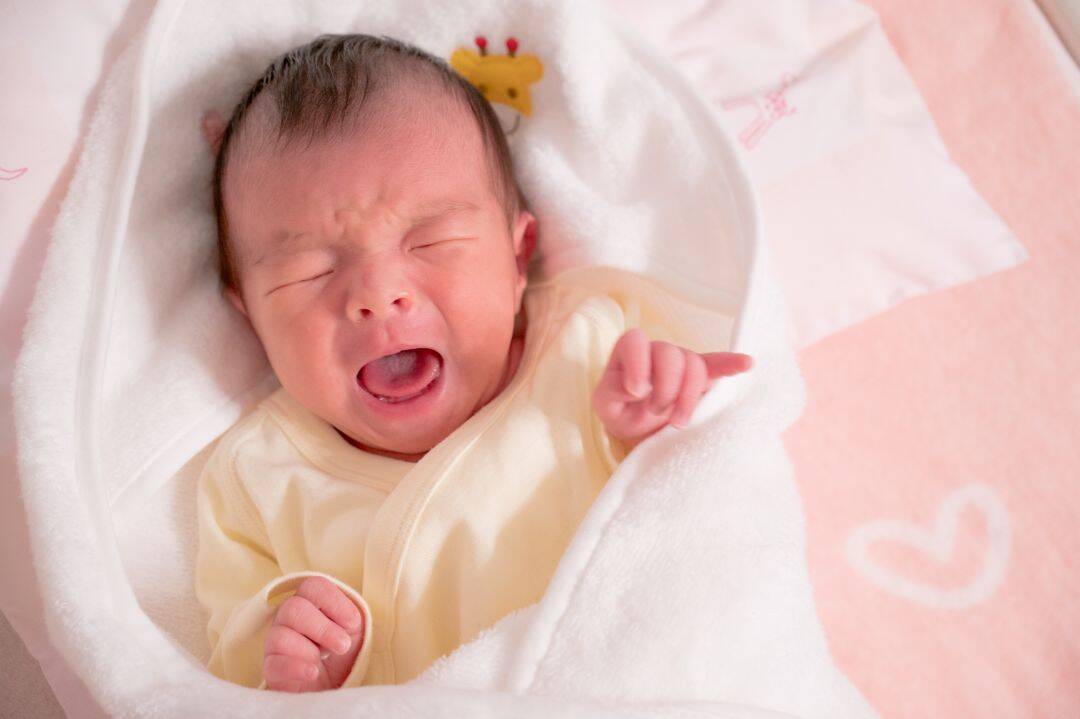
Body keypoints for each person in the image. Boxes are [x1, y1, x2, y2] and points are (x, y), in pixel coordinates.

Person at [195, 33, 752, 693]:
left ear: (519, 260)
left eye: (430, 239)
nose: (377, 294)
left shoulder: (585, 355)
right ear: (248, 314)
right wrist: (291, 652)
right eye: (311, 269)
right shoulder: (259, 474)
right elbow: (225, 664)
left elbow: (692, 519)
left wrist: (654, 424)